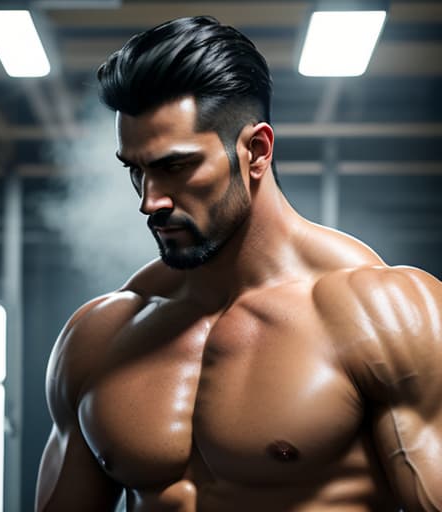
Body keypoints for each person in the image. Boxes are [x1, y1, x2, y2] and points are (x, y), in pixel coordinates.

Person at [35, 15, 442, 512]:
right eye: (135, 171)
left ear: (256, 151)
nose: (150, 200)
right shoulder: (99, 337)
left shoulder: (385, 314)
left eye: (175, 166)